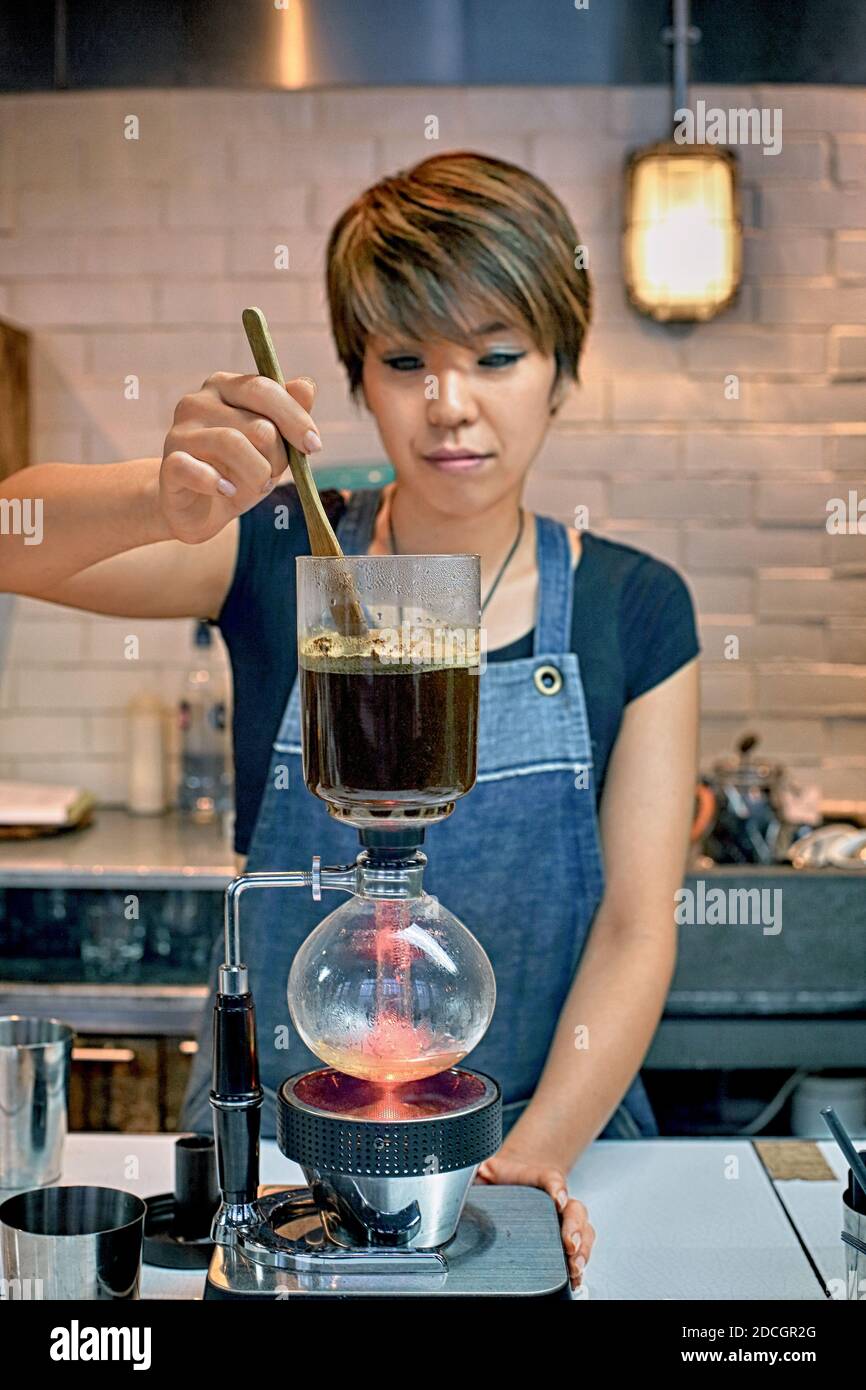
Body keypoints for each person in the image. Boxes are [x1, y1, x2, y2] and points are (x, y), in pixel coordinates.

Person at [1, 152, 699, 1292]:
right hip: (280, 1146)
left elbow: (635, 922)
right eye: (404, 359)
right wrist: (159, 496)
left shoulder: (633, 607)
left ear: (562, 372)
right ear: (356, 380)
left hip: (534, 1140)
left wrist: (524, 1167)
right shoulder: (276, 547)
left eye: (498, 356)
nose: (448, 404)